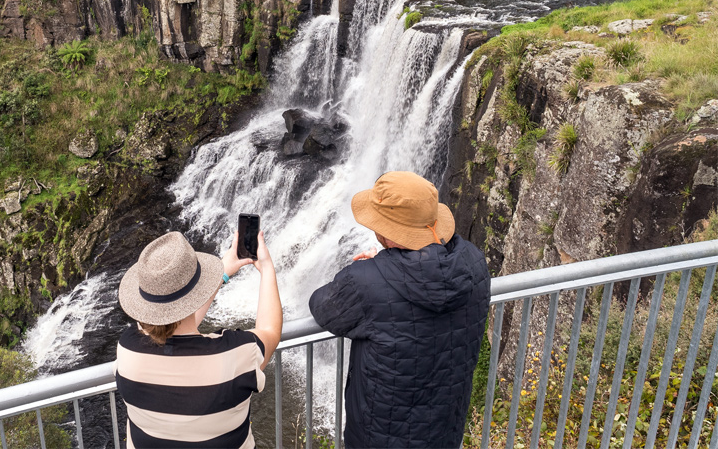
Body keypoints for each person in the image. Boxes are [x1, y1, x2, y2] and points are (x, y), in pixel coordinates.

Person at [309, 171, 490, 449]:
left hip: (378, 437)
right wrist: (385, 266)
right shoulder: (475, 263)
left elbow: (322, 306)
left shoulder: (365, 281)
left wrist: (375, 267)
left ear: (388, 232)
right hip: (445, 430)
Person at [115, 229, 282, 449]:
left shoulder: (128, 348)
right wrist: (267, 268)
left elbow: (169, 319)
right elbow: (270, 330)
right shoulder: (236, 355)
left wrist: (224, 271)